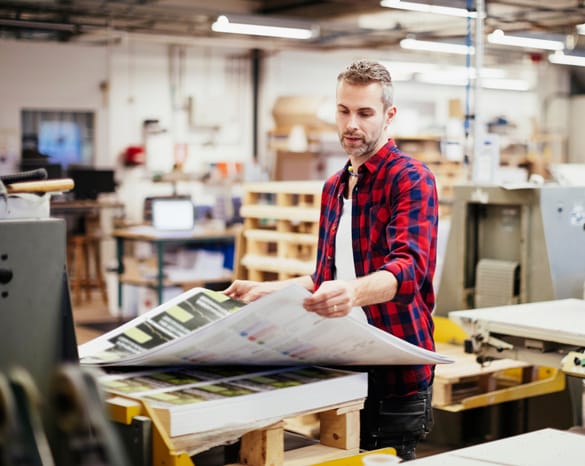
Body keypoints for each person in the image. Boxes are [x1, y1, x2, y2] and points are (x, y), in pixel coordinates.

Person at [224, 59, 438, 460]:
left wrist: (352, 294)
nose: (351, 124)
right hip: (343, 364)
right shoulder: (334, 187)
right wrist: (266, 289)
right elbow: (325, 276)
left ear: (389, 116)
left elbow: (409, 271)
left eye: (364, 113)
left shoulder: (411, 179)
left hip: (394, 372)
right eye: (343, 111)